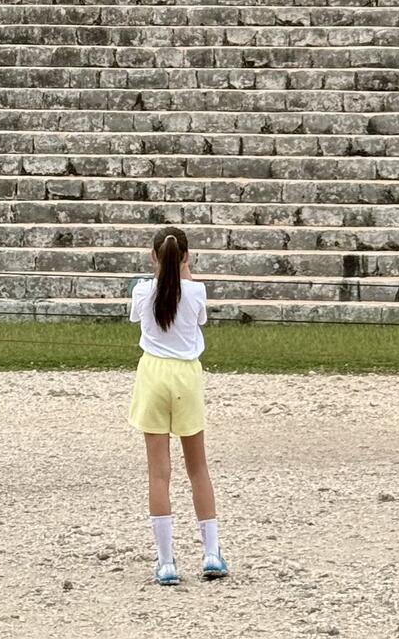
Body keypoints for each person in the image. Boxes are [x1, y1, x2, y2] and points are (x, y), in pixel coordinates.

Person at [127, 225, 228, 585]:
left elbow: (139, 316)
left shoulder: (143, 290)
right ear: (186, 257)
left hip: (153, 373)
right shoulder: (196, 291)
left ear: (154, 257)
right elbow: (197, 317)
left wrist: (160, 273)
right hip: (186, 374)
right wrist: (183, 271)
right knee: (197, 467)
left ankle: (167, 561)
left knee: (159, 472)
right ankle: (211, 553)